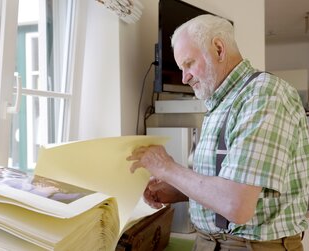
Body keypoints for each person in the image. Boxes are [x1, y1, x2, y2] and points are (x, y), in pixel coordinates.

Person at [127, 14, 309, 251]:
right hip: (211, 243)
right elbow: (228, 186)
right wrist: (175, 188)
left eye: (189, 64)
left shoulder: (264, 94)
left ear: (219, 49)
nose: (184, 78)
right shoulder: (221, 104)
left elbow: (237, 205)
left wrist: (167, 168)